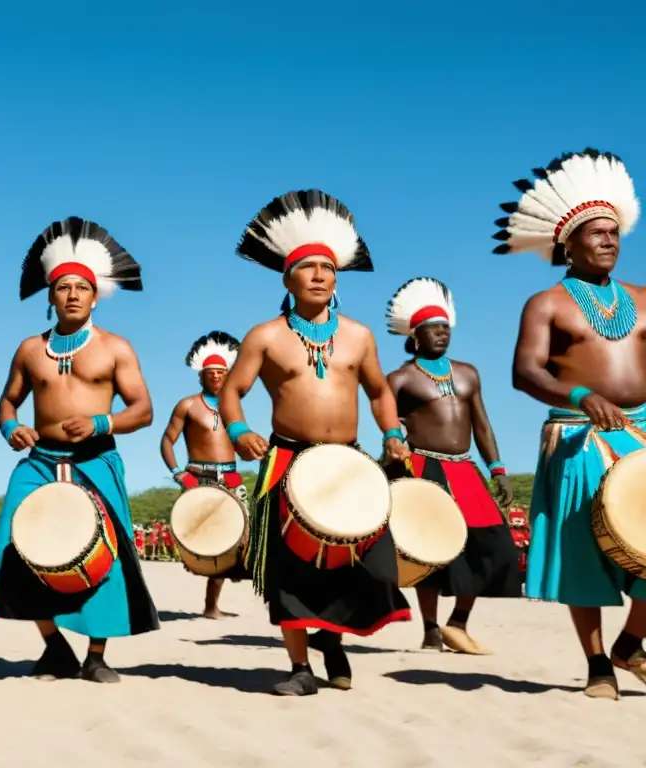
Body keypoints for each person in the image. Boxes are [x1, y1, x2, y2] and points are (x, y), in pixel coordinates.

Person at [219, 189, 412, 696]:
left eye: (329, 268)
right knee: (290, 569)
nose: (321, 276)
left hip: (348, 463)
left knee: (361, 561)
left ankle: (333, 641)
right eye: (309, 268)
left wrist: (393, 434)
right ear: (288, 278)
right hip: (286, 459)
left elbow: (378, 392)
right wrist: (239, 431)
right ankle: (300, 668)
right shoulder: (265, 336)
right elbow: (232, 393)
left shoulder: (359, 335)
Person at [0, 216, 159, 683]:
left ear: (95, 296)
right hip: (39, 463)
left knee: (107, 554)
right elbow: (7, 402)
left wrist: (102, 421)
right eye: (64, 288)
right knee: (13, 548)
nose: (73, 294)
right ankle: (54, 646)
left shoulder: (116, 348)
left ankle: (96, 656)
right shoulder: (29, 350)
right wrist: (10, 428)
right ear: (50, 296)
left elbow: (143, 411)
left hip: (95, 461)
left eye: (82, 287)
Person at [500, 149, 646, 699]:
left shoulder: (644, 300)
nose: (609, 240)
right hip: (578, 437)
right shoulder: (547, 304)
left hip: (642, 433)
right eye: (596, 233)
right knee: (584, 555)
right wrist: (582, 395)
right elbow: (524, 372)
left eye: (615, 232)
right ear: (568, 242)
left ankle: (631, 642)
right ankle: (598, 666)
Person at [385, 277, 522, 654]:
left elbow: (482, 423)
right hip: (424, 468)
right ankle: (430, 629)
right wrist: (393, 445)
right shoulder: (400, 378)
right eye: (434, 329)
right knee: (430, 550)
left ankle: (457, 623)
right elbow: (387, 422)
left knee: (496, 547)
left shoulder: (468, 373)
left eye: (446, 328)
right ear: (416, 336)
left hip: (465, 470)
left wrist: (497, 468)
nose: (442, 334)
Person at [160, 331, 248, 618]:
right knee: (211, 540)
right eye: (211, 373)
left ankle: (213, 605)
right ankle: (211, 606)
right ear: (201, 375)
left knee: (238, 540)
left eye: (222, 373)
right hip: (200, 478)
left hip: (232, 478)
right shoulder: (187, 405)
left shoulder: (234, 406)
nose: (216, 377)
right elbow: (166, 441)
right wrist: (177, 473)